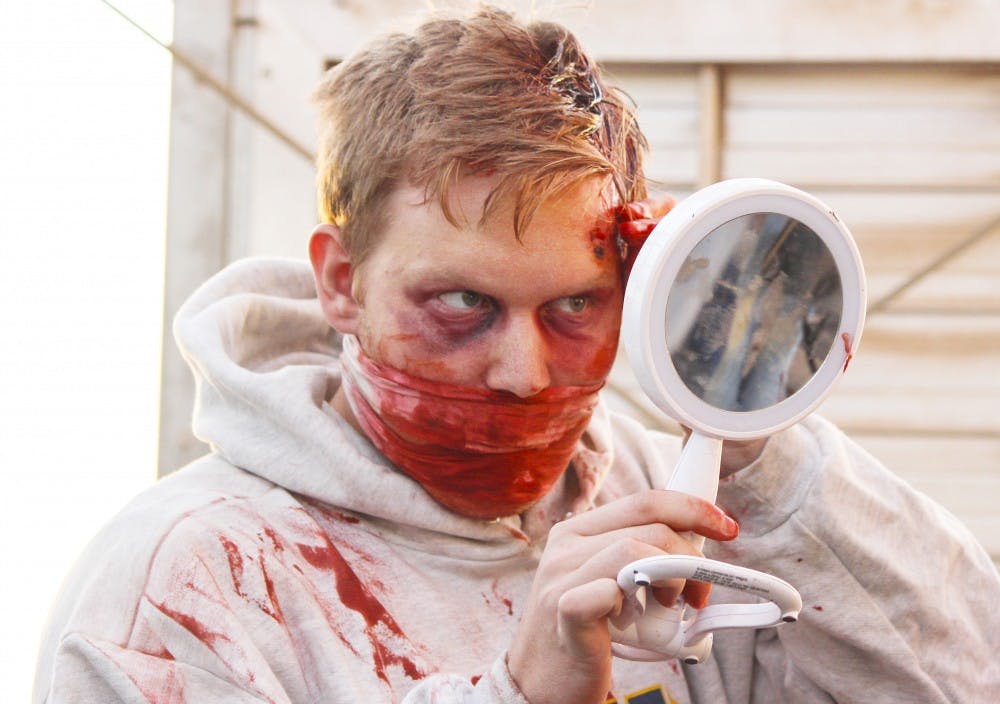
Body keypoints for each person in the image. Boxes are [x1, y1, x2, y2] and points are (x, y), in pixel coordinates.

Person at [34, 6, 1000, 703]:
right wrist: (518, 691)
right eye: (462, 302)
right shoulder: (190, 584)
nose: (525, 372)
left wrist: (754, 439)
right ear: (340, 281)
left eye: (577, 304)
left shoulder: (676, 505)